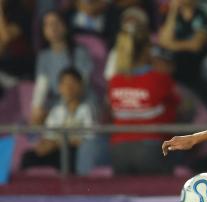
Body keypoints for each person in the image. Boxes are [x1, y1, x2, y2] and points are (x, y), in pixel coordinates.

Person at [108, 22, 180, 175]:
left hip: (118, 151)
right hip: (152, 150)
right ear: (147, 49)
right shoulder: (159, 78)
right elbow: (180, 109)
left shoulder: (114, 81)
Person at [21, 66, 103, 175]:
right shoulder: (56, 111)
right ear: (60, 87)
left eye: (73, 83)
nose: (69, 88)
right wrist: (43, 146)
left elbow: (88, 140)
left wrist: (58, 143)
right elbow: (49, 137)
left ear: (80, 87)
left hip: (74, 152)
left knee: (68, 157)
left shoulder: (87, 110)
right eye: (65, 84)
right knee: (28, 157)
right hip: (56, 151)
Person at [31, 10, 94, 125]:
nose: (52, 28)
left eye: (56, 23)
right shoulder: (43, 57)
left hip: (81, 101)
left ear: (65, 26)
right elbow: (41, 87)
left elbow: (83, 82)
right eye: (48, 25)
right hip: (57, 103)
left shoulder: (79, 52)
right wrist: (37, 108)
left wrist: (69, 104)